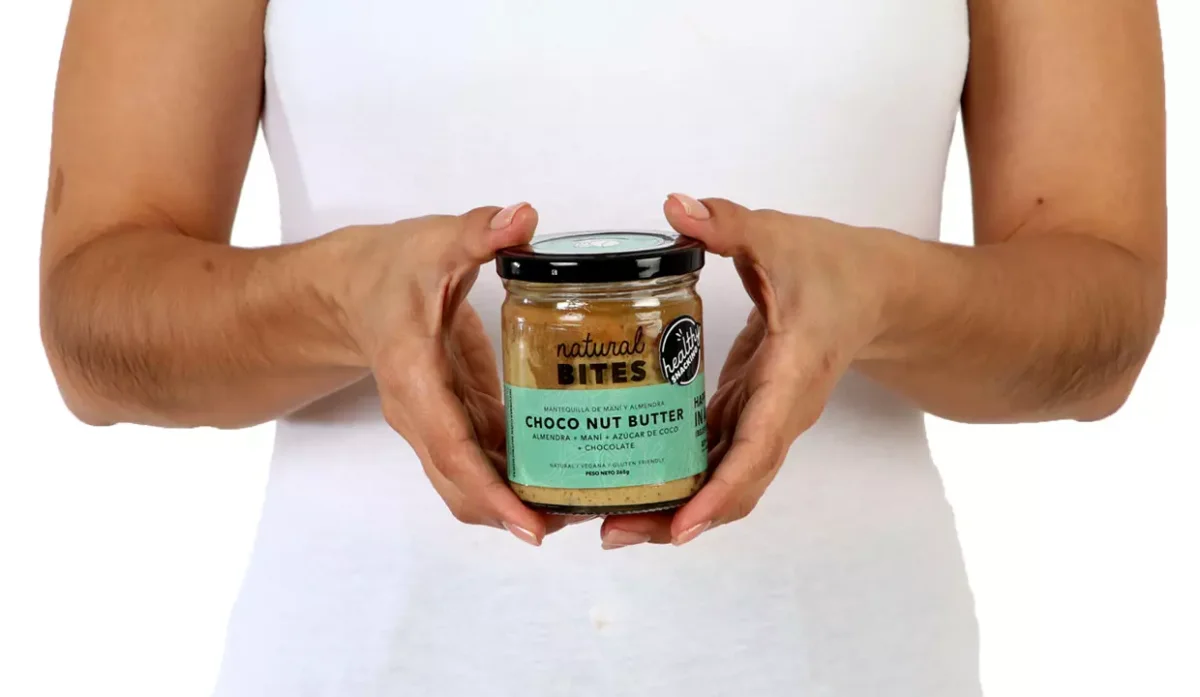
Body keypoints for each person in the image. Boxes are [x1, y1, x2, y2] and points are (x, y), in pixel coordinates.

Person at [39, 1, 1166, 695]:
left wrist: (879, 295)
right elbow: (92, 322)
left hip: (853, 664)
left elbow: (1103, 319)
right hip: (362, 663)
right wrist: (337, 300)